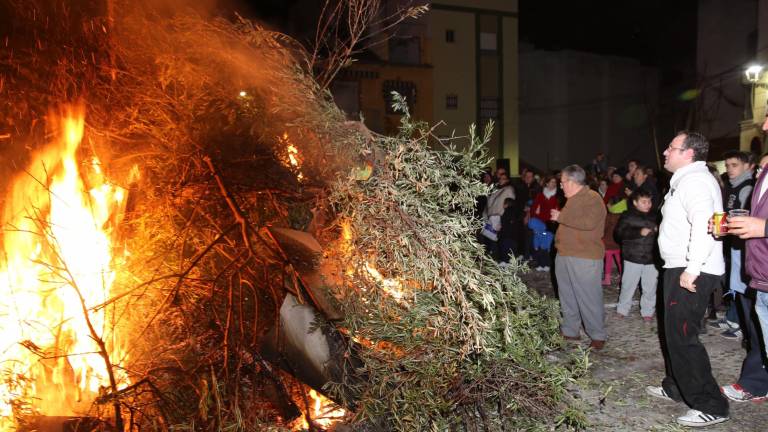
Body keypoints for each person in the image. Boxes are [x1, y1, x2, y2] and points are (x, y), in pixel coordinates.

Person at [645, 131, 729, 427]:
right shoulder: (684, 179)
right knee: (671, 332)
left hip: (691, 269)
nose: (665, 152)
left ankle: (711, 404)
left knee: (683, 336)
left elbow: (705, 226)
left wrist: (692, 268)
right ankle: (677, 386)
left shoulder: (694, 181)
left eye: (671, 147)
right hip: (679, 266)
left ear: (689, 153)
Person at [720, 147, 768, 402]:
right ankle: (758, 383)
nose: (763, 125)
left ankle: (755, 382)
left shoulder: (748, 186)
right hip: (761, 271)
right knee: (759, 334)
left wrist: (763, 227)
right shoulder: (755, 185)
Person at [550, 165, 607, 350]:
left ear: (573, 182)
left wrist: (561, 217)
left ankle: (597, 334)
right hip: (565, 254)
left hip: (585, 257)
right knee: (567, 296)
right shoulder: (571, 199)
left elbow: (588, 223)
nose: (561, 186)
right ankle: (570, 330)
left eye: (563, 182)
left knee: (589, 297)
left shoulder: (592, 198)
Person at [709, 151, 754, 341]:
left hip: (744, 245)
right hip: (733, 242)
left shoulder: (747, 187)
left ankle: (742, 326)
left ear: (747, 166)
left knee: (742, 284)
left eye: (734, 165)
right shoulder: (732, 185)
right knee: (734, 283)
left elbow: (745, 218)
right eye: (727, 166)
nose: (729, 169)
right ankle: (733, 318)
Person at [614, 189, 658, 320]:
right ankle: (623, 308)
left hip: (652, 257)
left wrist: (659, 230)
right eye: (643, 202)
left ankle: (648, 311)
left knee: (650, 286)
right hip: (633, 256)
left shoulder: (656, 215)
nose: (647, 204)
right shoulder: (627, 216)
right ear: (635, 202)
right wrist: (638, 232)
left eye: (649, 201)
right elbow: (618, 235)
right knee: (628, 284)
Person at [529, 175, 560, 271]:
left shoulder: (558, 196)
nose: (553, 184)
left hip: (550, 223)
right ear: (547, 183)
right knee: (540, 238)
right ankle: (540, 264)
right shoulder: (541, 195)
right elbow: (533, 209)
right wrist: (535, 213)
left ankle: (545, 264)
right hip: (540, 222)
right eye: (551, 182)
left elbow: (558, 209)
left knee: (545, 242)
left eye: (555, 182)